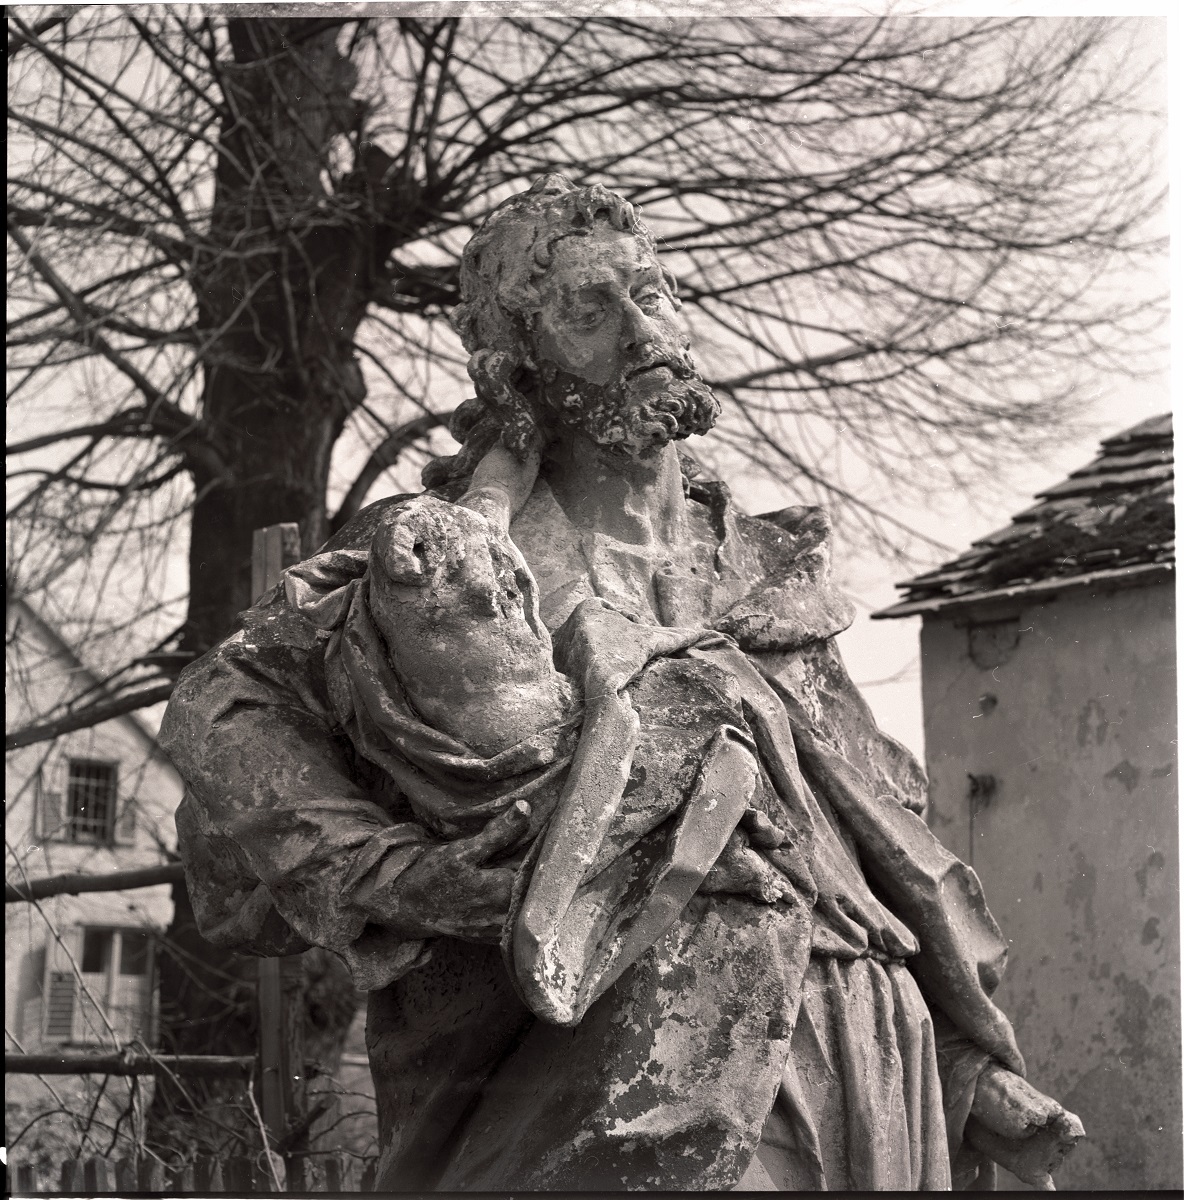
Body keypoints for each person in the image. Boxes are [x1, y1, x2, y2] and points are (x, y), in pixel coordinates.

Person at [160, 175, 1083, 1191]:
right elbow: (222, 718)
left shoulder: (759, 571)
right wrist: (403, 879)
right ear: (517, 363)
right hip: (603, 1070)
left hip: (857, 1047)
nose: (641, 330)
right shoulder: (446, 559)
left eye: (653, 293)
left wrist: (959, 1062)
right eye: (588, 311)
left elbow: (873, 841)